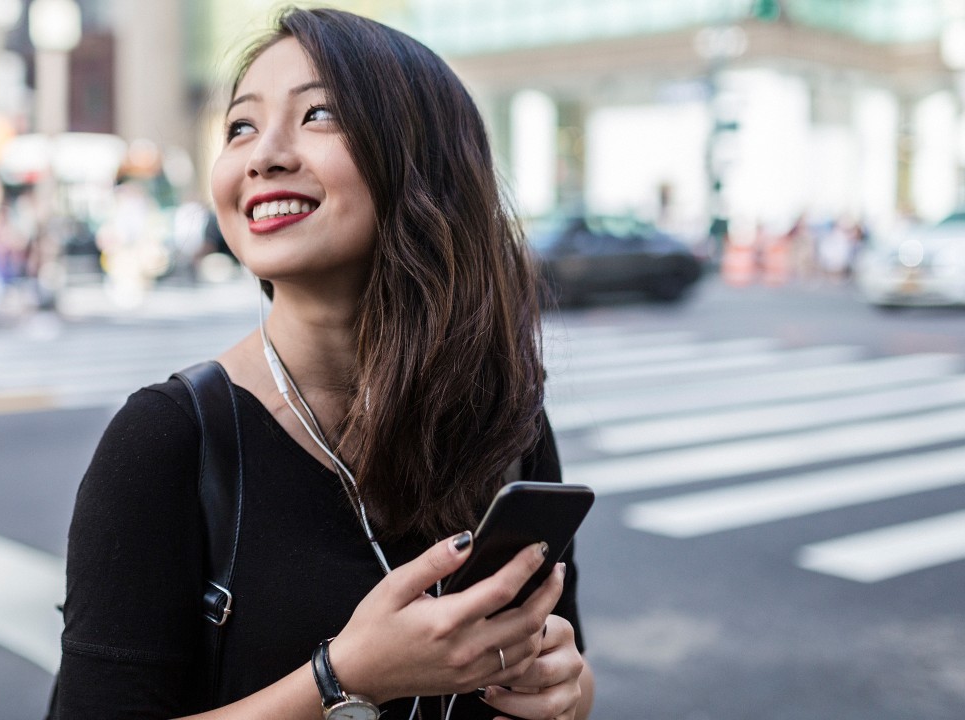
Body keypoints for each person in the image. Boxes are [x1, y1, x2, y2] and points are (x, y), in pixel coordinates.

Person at [51, 8, 594, 720]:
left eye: (320, 114)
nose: (262, 154)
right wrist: (341, 680)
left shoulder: (507, 420)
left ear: (424, 159)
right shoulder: (169, 442)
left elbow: (567, 659)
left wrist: (569, 691)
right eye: (241, 126)